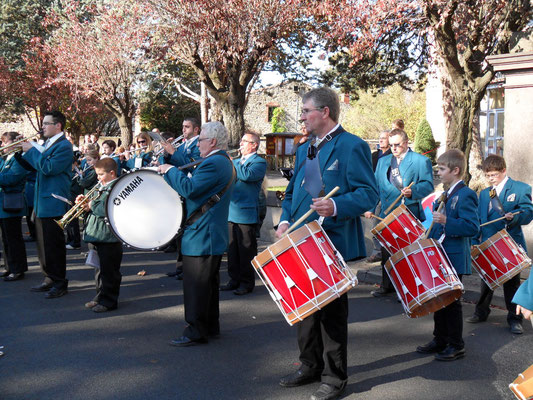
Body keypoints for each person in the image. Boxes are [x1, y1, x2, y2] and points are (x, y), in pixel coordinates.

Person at [276, 87, 378, 400]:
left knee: (332, 313)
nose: (303, 117)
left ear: (325, 112)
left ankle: (335, 378)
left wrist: (335, 206)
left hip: (332, 241)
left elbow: (368, 194)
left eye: (306, 111)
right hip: (300, 239)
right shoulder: (306, 147)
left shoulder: (352, 145)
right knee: (304, 308)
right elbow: (294, 190)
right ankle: (309, 366)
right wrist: (283, 219)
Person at [158, 121, 235, 347]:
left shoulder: (214, 163)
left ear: (212, 142)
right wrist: (172, 159)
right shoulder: (218, 161)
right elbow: (194, 170)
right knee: (207, 285)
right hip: (207, 232)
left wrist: (170, 171)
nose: (197, 144)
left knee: (196, 286)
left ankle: (195, 331)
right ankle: (209, 326)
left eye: (200, 140)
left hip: (203, 233)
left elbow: (191, 189)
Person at [416, 149, 479, 361]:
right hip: (440, 255)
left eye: (442, 169)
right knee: (439, 299)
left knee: (451, 302)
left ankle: (456, 344)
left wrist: (446, 222)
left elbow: (472, 227)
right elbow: (435, 225)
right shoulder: (445, 193)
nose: (439, 173)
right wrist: (426, 240)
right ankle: (440, 338)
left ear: (455, 170)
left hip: (454, 256)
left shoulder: (466, 194)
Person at [466, 154, 533, 334]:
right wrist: (474, 240)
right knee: (486, 280)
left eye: (494, 175)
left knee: (511, 283)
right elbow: (480, 219)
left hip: (509, 243)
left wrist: (515, 217)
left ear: (504, 170)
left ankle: (514, 319)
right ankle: (481, 312)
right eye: (488, 176)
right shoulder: (485, 194)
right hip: (488, 243)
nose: (491, 179)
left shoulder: (520, 188)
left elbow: (528, 212)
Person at [368, 128, 434, 297]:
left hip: (408, 213)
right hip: (386, 213)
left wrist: (414, 191)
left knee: (407, 253)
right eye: (391, 145)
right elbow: (375, 186)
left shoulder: (420, 161)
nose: (394, 148)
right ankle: (386, 285)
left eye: (397, 145)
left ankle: (406, 288)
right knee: (386, 251)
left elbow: (428, 185)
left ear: (406, 143)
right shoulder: (384, 161)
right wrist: (370, 208)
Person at [19, 110, 73, 298]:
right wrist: (21, 152)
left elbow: (49, 168)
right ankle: (49, 277)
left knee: (54, 245)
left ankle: (60, 282)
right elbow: (35, 166)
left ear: (58, 125)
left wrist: (32, 151)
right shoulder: (48, 144)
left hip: (54, 201)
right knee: (42, 244)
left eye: (46, 124)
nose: (42, 127)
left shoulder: (65, 146)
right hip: (41, 201)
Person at [220, 131, 266, 295]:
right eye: (241, 141)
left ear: (254, 145)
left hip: (246, 213)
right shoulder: (237, 161)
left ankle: (247, 283)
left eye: (244, 142)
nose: (240, 144)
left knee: (246, 250)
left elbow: (247, 176)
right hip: (231, 211)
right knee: (232, 250)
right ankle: (234, 279)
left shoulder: (259, 162)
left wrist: (232, 163)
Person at [78, 158, 123, 313]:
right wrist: (85, 202)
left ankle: (109, 301)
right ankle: (100, 296)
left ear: (112, 173)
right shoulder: (102, 185)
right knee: (99, 269)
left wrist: (91, 205)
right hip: (97, 233)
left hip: (109, 236)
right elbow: (95, 204)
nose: (98, 178)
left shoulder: (118, 187)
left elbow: (107, 209)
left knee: (110, 271)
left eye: (101, 174)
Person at [161, 118, 202, 278]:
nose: (183, 129)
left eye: (187, 127)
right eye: (183, 126)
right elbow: (173, 162)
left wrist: (173, 153)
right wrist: (166, 154)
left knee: (186, 230)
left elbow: (191, 164)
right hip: (179, 188)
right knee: (180, 229)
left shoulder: (198, 145)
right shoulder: (184, 144)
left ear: (196, 129)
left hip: (189, 187)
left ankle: (187, 268)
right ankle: (180, 266)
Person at [0, 132, 29, 281]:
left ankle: (18, 269)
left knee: (14, 239)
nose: (3, 145)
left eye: (5, 142)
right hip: (3, 203)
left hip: (11, 202)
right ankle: (9, 267)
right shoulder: (5, 159)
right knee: (6, 238)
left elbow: (11, 179)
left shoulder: (19, 160)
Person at [367, 130, 392, 263]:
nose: (381, 140)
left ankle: (382, 251)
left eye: (384, 138)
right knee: (375, 225)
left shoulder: (392, 156)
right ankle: (378, 251)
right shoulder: (375, 156)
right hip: (375, 191)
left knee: (382, 225)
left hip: (387, 194)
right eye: (380, 138)